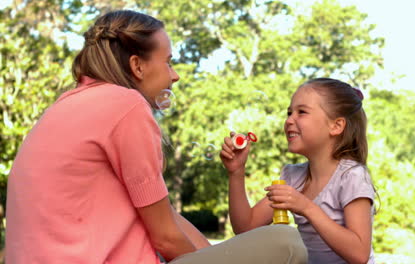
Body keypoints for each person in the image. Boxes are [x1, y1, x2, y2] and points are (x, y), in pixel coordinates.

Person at [5, 10, 307, 264]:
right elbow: (166, 237)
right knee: (287, 241)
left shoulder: (65, 105)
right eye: (169, 62)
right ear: (137, 66)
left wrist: (216, 256)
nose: (174, 75)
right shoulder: (126, 104)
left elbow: (167, 217)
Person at [221, 78, 376, 264]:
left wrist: (306, 207)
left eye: (301, 112)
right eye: (289, 113)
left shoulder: (352, 176)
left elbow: (359, 254)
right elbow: (245, 228)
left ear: (336, 126)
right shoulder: (294, 177)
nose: (288, 120)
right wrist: (236, 172)